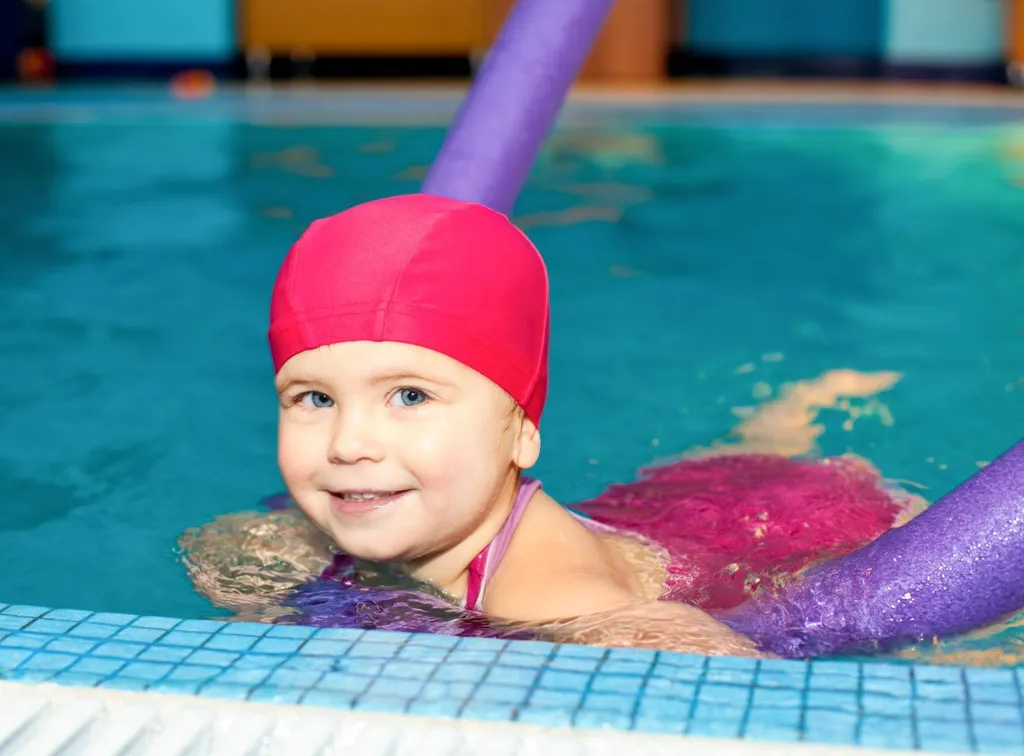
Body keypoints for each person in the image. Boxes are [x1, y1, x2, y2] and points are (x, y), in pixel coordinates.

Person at [180, 193, 918, 657]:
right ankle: (789, 416)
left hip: (792, 527)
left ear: (521, 432)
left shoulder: (556, 604)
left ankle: (804, 416)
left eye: (409, 396)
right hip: (654, 515)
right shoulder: (322, 528)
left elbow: (741, 696)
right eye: (313, 398)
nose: (348, 444)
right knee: (742, 452)